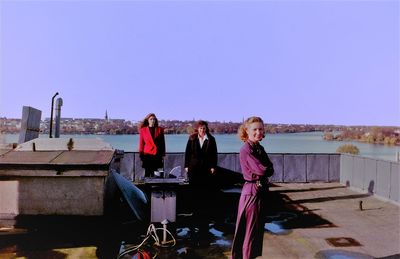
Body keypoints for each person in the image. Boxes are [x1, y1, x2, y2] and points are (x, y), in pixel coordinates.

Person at [231, 116, 274, 259]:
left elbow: (270, 169)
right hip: (251, 193)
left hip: (259, 192)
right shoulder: (246, 149)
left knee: (255, 233)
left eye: (261, 129)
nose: (258, 132)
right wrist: (265, 170)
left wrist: (266, 169)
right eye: (255, 129)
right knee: (249, 234)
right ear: (247, 131)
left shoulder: (259, 148)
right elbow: (263, 170)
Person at [184, 120, 218, 239]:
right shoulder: (192, 138)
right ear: (197, 129)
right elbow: (187, 153)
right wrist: (186, 166)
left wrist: (213, 166)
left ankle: (203, 213)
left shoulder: (211, 139)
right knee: (194, 190)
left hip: (206, 168)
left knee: (205, 191)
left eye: (204, 128)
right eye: (200, 128)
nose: (202, 130)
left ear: (206, 129)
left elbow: (214, 154)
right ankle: (194, 212)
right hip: (194, 168)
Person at [138, 113, 166, 177]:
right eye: (151, 119)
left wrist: (163, 154)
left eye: (154, 119)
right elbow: (141, 144)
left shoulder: (160, 130)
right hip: (147, 155)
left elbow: (163, 143)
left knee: (155, 172)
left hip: (157, 154)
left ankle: (155, 185)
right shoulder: (143, 130)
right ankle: (147, 186)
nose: (153, 120)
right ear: (148, 120)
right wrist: (141, 155)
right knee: (147, 172)